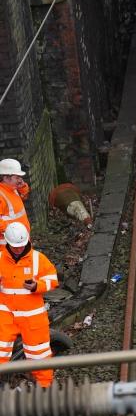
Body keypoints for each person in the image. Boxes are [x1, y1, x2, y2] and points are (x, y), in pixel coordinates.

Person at [0, 222, 58, 387]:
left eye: (21, 245)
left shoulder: (38, 259)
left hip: (32, 317)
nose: (18, 249)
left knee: (39, 353)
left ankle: (44, 386)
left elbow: (52, 280)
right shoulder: (0, 259)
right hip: (6, 315)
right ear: (7, 243)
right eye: (15, 246)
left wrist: (36, 286)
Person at [0, 159, 31, 246]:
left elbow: (23, 198)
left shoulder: (12, 188)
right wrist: (13, 233)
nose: (20, 180)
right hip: (9, 246)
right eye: (17, 177)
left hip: (20, 241)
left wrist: (22, 187)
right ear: (5, 178)